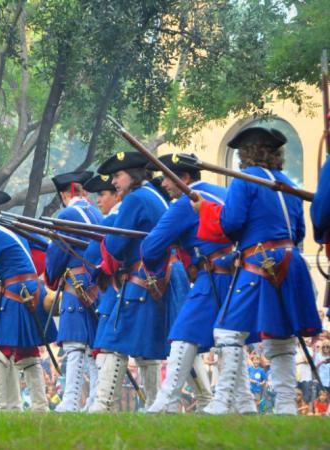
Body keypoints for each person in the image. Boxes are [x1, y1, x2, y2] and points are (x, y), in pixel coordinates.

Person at [192, 126, 322, 415]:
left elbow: (231, 224)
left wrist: (206, 211)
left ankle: (223, 402)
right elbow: (299, 231)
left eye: (241, 153)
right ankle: (286, 406)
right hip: (292, 260)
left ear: (249, 153)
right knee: (282, 337)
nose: (238, 159)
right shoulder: (289, 183)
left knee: (227, 332)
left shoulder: (244, 182)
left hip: (259, 261)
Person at [91, 152, 189, 412]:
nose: (113, 182)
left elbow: (116, 244)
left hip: (144, 277)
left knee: (113, 341)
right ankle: (160, 406)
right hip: (162, 275)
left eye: (118, 176)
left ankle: (102, 405)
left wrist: (105, 245)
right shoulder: (154, 195)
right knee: (151, 347)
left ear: (133, 175)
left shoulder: (136, 199)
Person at [141, 154, 231, 413]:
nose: (164, 184)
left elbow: (150, 248)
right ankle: (240, 401)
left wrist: (175, 241)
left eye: (168, 178)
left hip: (211, 275)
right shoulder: (222, 192)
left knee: (184, 332)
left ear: (185, 179)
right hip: (235, 272)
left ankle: (166, 401)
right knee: (231, 340)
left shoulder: (185, 203)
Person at [0, 190, 57, 411]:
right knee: (27, 352)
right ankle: (39, 406)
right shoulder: (11, 228)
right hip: (31, 289)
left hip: (16, 292)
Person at [45, 170, 103, 412]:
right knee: (89, 346)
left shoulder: (68, 214)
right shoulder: (96, 213)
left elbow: (56, 258)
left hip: (76, 285)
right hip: (95, 285)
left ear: (64, 194)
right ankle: (95, 399)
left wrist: (50, 275)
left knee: (74, 344)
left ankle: (71, 401)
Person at [81, 173, 121, 412]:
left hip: (116, 286)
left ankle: (104, 404)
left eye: (103, 194)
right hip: (112, 286)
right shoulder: (111, 217)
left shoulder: (114, 218)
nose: (98, 200)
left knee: (108, 345)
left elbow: (94, 255)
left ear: (117, 194)